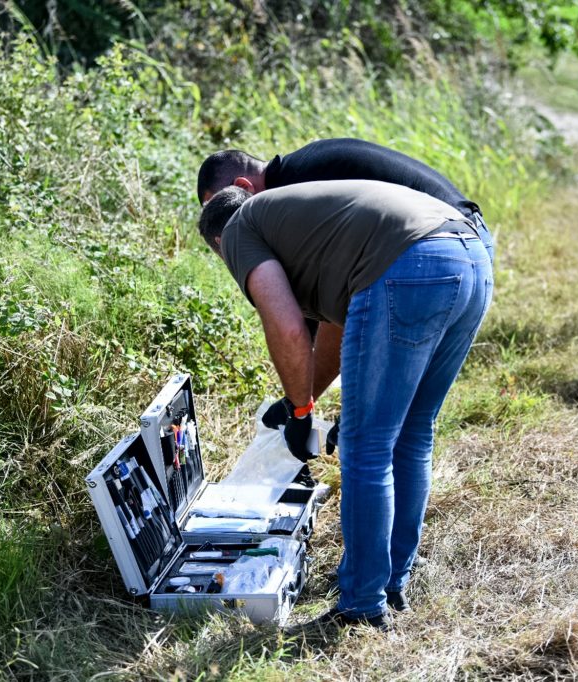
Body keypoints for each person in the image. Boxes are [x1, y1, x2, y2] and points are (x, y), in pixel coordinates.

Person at [198, 180, 493, 629]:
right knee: (412, 433)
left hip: (412, 265)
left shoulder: (239, 230)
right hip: (470, 257)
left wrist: (301, 412)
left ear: (219, 243)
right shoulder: (302, 222)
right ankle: (391, 584)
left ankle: (361, 606)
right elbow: (341, 321)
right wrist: (304, 401)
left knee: (365, 446)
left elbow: (287, 328)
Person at [196, 138, 494, 262]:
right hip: (469, 237)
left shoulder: (295, 189)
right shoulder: (302, 166)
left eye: (227, 207)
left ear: (243, 186)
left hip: (447, 243)